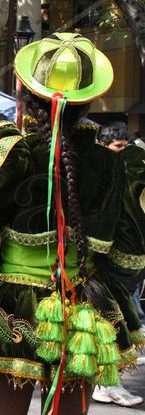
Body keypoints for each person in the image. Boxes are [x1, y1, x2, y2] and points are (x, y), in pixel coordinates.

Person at [0, 33, 134, 415]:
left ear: (28, 96)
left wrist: (5, 266)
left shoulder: (14, 152)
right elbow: (130, 259)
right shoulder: (117, 165)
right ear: (88, 101)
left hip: (12, 308)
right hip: (81, 311)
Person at [91, 122, 145, 407]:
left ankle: (107, 381)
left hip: (120, 264)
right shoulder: (98, 174)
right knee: (109, 323)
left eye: (127, 146)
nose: (125, 153)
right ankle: (106, 383)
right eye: (119, 148)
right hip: (97, 263)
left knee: (118, 321)